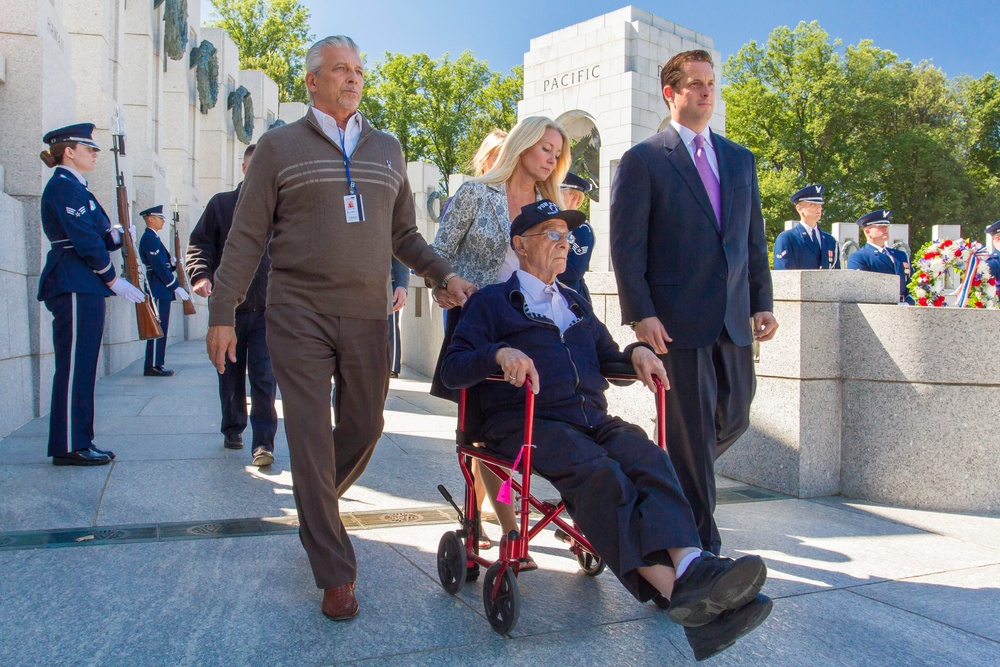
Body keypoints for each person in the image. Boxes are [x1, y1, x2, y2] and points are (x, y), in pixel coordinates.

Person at [204, 35, 474, 622]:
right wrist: (223, 312)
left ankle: (314, 503)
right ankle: (334, 569)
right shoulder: (278, 148)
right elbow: (246, 237)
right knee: (304, 432)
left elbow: (404, 234)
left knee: (365, 423)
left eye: (357, 70)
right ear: (312, 82)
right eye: (339, 70)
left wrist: (441, 273)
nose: (352, 79)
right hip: (296, 312)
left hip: (366, 313)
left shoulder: (388, 149)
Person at [441, 200, 772, 662]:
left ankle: (693, 571)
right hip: (526, 422)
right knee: (602, 476)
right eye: (551, 234)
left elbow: (606, 357)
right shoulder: (492, 302)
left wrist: (634, 354)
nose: (563, 243)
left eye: (566, 234)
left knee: (650, 459)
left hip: (590, 418)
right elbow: (453, 369)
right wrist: (498, 354)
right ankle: (681, 593)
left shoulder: (574, 300)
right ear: (520, 245)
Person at [610, 50, 777, 556]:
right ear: (671, 93)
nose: (707, 92)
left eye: (711, 83)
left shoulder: (739, 159)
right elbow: (627, 246)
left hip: (732, 319)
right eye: (696, 84)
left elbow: (752, 240)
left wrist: (760, 301)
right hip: (675, 325)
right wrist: (641, 314)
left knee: (734, 418)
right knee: (692, 434)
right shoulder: (644, 159)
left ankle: (662, 485)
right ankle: (703, 550)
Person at [430, 116, 571, 553]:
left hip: (535, 329)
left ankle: (495, 514)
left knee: (512, 432)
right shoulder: (476, 192)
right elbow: (438, 254)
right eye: (545, 148)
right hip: (477, 325)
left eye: (557, 153)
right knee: (482, 434)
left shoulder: (553, 206)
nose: (551, 158)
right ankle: (508, 527)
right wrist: (445, 284)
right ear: (523, 144)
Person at [37, 123, 146, 466]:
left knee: (83, 366)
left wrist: (119, 234)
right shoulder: (63, 186)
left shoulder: (77, 187)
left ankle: (79, 439)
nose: (96, 153)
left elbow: (98, 235)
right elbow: (85, 242)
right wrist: (113, 279)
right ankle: (69, 445)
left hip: (83, 283)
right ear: (68, 151)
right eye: (89, 148)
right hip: (74, 282)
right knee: (74, 368)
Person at [187, 144, 278, 466]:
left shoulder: (282, 211)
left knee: (265, 377)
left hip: (270, 311)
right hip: (230, 311)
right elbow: (200, 245)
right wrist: (200, 276)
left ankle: (264, 443)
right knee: (230, 374)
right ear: (243, 168)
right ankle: (232, 428)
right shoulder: (221, 205)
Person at [138, 205, 190, 377]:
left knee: (162, 328)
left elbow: (165, 264)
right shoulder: (149, 238)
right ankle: (152, 365)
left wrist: (175, 264)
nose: (163, 221)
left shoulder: (154, 238)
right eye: (160, 218)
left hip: (161, 289)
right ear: (150, 219)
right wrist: (175, 286)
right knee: (157, 328)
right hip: (157, 289)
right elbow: (159, 267)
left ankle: (157, 363)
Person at [846, 209, 914, 304]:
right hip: (879, 309)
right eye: (880, 226)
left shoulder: (900, 255)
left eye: (886, 226)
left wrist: (908, 302)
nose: (885, 229)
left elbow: (911, 282)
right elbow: (860, 289)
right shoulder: (859, 257)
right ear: (868, 231)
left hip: (904, 308)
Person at [772, 185, 841, 270]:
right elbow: (785, 276)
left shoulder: (830, 240)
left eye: (820, 204)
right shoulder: (788, 238)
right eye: (813, 204)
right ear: (799, 208)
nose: (819, 208)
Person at [556, 171, 595, 301]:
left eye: (559, 192)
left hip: (571, 299)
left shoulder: (581, 229)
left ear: (574, 198)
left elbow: (573, 272)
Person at [388, 256, 408, 378]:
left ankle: (392, 365)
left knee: (390, 326)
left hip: (387, 282)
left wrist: (401, 284)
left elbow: (400, 255)